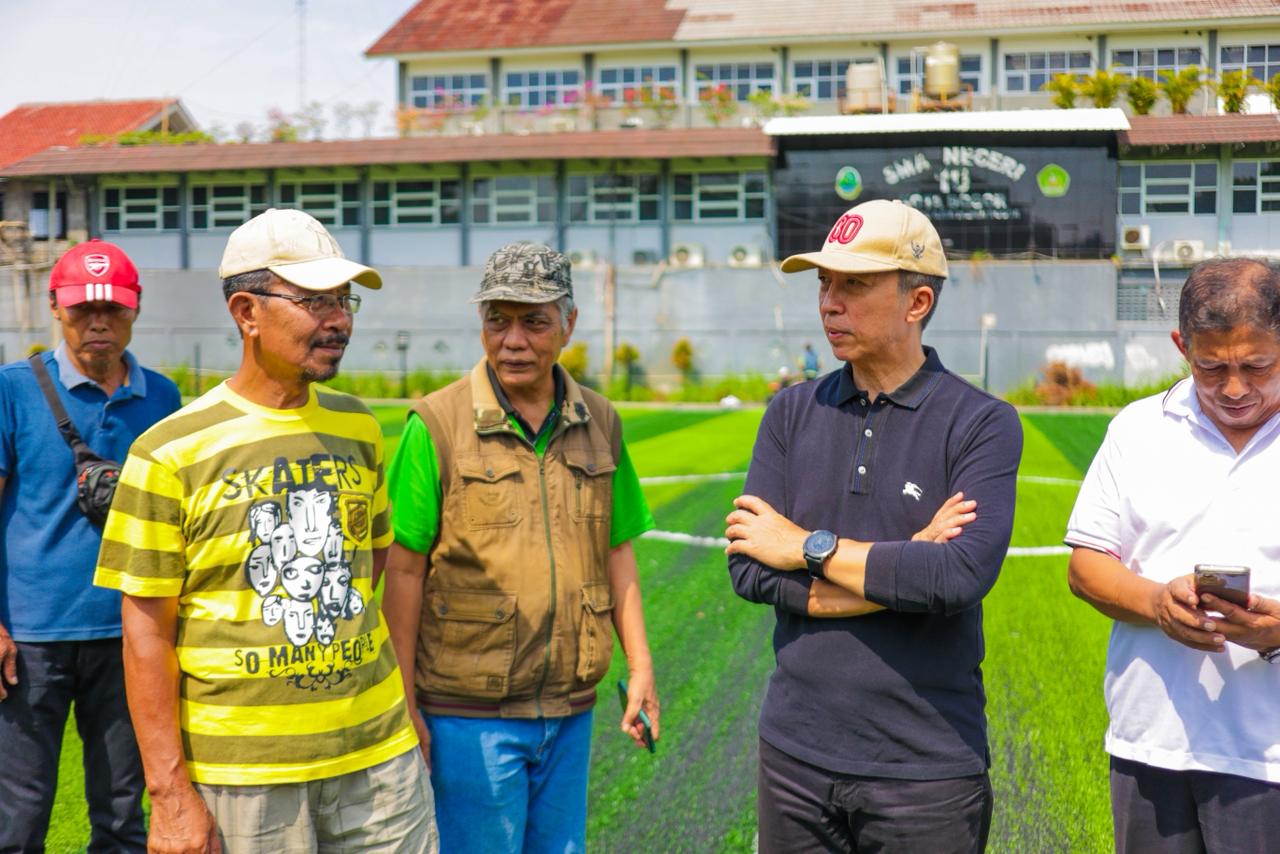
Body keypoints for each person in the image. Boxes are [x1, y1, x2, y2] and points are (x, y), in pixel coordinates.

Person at [93, 209, 437, 853]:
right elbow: (145, 635)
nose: (338, 320)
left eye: (343, 299)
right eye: (314, 300)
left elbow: (370, 571)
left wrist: (400, 712)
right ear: (246, 312)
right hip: (244, 781)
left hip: (378, 761)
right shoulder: (167, 452)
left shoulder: (358, 427)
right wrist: (169, 794)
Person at [725, 199, 1022, 853]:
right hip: (793, 757)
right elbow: (748, 566)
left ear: (918, 302)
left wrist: (802, 547)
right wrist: (899, 565)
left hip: (926, 770)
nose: (829, 303)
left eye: (854, 284)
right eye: (824, 283)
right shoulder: (790, 412)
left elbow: (955, 578)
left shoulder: (982, 422)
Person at [383, 241, 659, 854]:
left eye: (533, 321)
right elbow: (402, 571)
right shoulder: (435, 424)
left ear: (568, 325)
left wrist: (640, 667)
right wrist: (403, 700)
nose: (513, 340)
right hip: (466, 717)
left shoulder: (601, 421)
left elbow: (616, 550)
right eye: (497, 320)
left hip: (570, 711)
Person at [1066, 257, 1280, 853]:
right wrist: (1156, 602)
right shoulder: (1138, 429)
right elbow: (1086, 566)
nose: (1234, 388)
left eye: (1256, 366)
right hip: (1150, 745)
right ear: (1181, 346)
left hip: (1270, 755)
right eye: (1210, 367)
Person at [0, 240, 181, 852]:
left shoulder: (163, 398)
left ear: (135, 307)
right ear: (55, 306)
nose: (98, 322)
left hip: (130, 632)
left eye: (112, 308)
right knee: (18, 820)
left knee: (123, 815)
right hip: (30, 639)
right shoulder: (12, 390)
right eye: (83, 308)